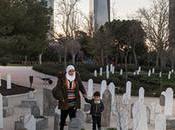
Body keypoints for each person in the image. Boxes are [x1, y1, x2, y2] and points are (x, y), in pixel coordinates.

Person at [52, 65, 87, 130]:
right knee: (63, 118)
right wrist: (61, 98)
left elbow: (81, 85)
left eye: (73, 71)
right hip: (64, 101)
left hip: (74, 101)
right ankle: (61, 128)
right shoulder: (62, 77)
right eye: (70, 71)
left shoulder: (77, 77)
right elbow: (58, 88)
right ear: (67, 71)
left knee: (73, 118)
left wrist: (84, 93)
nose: (72, 72)